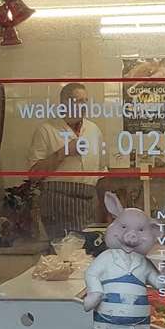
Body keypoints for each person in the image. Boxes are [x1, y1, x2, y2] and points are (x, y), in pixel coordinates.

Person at [27, 81, 112, 238]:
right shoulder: (46, 130)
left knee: (87, 253)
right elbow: (34, 175)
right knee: (63, 253)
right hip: (57, 203)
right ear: (64, 103)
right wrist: (64, 152)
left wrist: (107, 210)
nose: (84, 105)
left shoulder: (94, 130)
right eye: (78, 101)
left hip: (89, 203)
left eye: (85, 100)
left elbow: (102, 173)